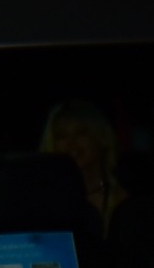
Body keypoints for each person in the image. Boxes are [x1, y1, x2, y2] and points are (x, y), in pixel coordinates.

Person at [39, 97, 129, 235]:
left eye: (81, 133)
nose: (71, 143)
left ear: (101, 137)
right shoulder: (46, 202)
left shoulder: (123, 200)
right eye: (62, 136)